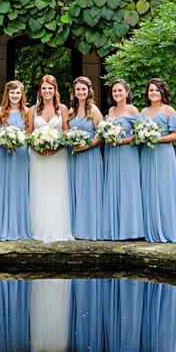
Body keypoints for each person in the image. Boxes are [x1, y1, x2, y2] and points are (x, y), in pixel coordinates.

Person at [25, 75, 74, 243]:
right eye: (44, 88)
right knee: (39, 189)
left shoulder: (63, 109)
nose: (47, 91)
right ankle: (37, 229)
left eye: (50, 88)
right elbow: (29, 133)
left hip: (58, 156)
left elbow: (66, 131)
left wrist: (57, 147)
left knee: (57, 191)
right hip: (38, 157)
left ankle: (58, 229)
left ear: (55, 90)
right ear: (40, 90)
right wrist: (38, 147)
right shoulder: (33, 109)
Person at [139, 78, 176, 243]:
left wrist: (157, 138)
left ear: (162, 92)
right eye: (151, 90)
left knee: (164, 190)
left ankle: (167, 229)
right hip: (146, 154)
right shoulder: (143, 112)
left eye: (156, 90)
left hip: (164, 154)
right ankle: (149, 229)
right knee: (148, 188)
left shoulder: (168, 110)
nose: (153, 93)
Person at [0, 80, 31, 240]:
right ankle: (1, 225)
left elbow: (30, 133)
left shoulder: (27, 111)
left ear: (22, 94)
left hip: (21, 155)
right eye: (12, 93)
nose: (15, 96)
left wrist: (20, 138)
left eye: (18, 93)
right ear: (7, 94)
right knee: (3, 187)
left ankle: (19, 227)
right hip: (4, 153)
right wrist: (4, 141)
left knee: (20, 187)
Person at [101, 79, 144, 240]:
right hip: (112, 154)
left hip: (127, 154)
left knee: (128, 187)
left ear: (127, 92)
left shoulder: (132, 110)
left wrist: (122, 140)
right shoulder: (111, 110)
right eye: (114, 91)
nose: (117, 93)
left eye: (120, 91)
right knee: (112, 186)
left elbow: (141, 134)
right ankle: (113, 229)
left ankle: (131, 230)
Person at [67, 76, 104, 240]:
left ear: (89, 91)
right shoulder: (71, 111)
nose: (80, 92)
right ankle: (76, 228)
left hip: (89, 155)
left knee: (88, 190)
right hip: (74, 156)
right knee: (75, 190)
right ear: (74, 92)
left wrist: (86, 146)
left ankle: (89, 229)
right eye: (78, 89)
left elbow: (102, 135)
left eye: (83, 89)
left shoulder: (94, 111)